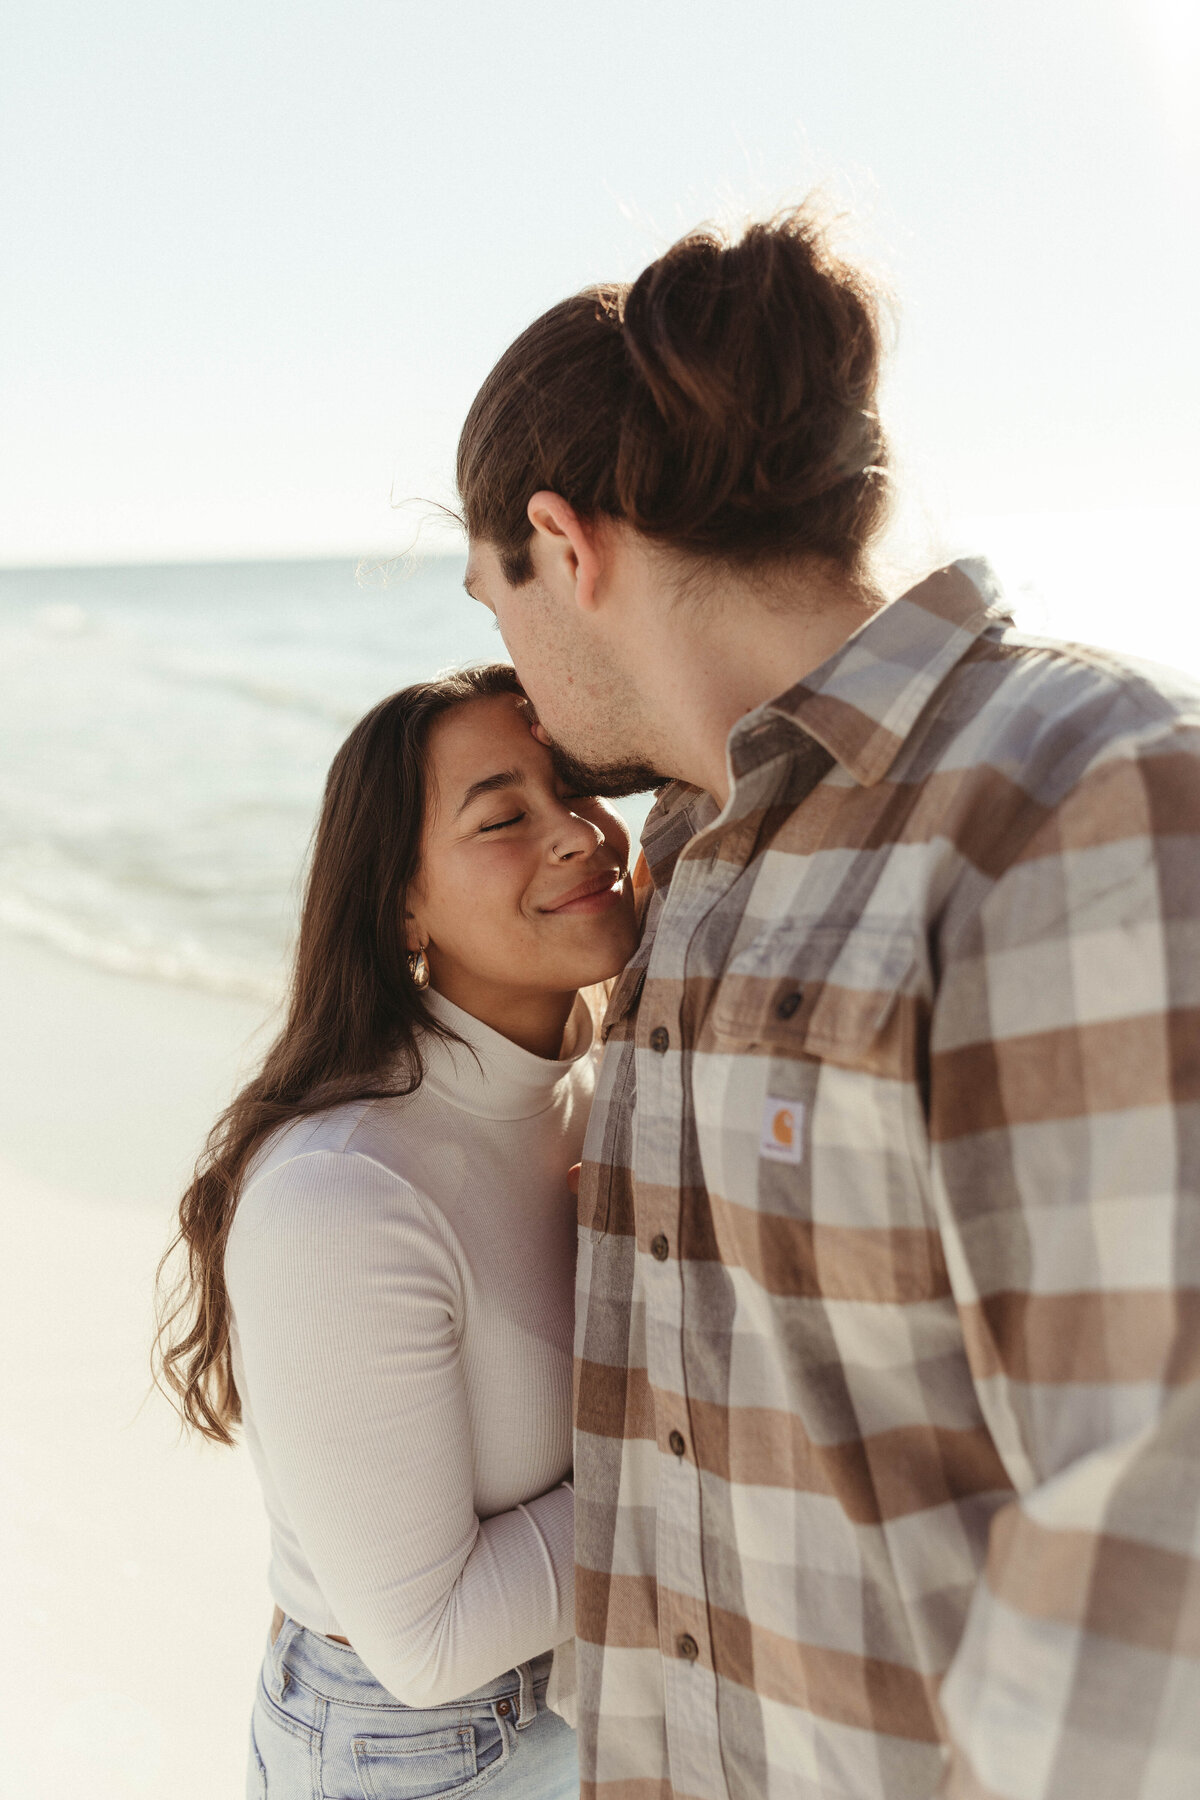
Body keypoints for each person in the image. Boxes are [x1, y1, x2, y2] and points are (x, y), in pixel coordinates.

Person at [454, 206, 1200, 1798]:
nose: (511, 672)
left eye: (492, 598)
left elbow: (1156, 1519)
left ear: (566, 547)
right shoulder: (689, 860)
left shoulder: (1072, 794)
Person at [155, 664, 638, 1799]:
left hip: (590, 1689)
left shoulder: (608, 1076)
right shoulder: (344, 1195)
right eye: (504, 817)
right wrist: (708, 1456)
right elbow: (427, 1640)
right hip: (420, 1753)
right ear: (401, 905)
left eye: (575, 788)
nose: (577, 835)